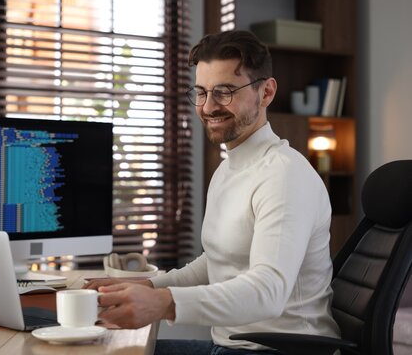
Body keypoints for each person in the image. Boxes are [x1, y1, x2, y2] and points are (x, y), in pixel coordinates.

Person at [84, 30, 340, 355]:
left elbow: (269, 290)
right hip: (230, 347)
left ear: (266, 92)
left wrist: (163, 303)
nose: (207, 107)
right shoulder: (228, 169)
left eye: (224, 92)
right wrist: (148, 285)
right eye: (201, 92)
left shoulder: (284, 175)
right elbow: (218, 262)